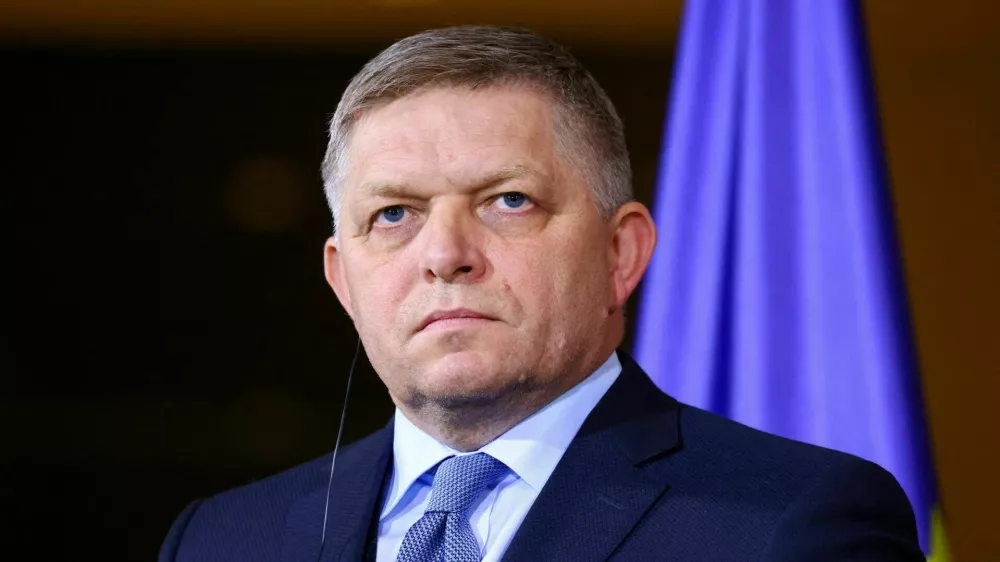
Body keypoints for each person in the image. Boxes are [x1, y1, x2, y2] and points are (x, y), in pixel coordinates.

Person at [159, 25, 923, 562]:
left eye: (508, 201)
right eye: (394, 214)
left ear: (621, 253)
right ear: (341, 279)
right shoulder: (220, 540)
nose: (445, 255)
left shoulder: (794, 524)